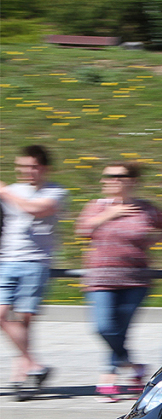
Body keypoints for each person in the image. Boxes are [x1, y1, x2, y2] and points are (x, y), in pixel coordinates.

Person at [75, 162, 162, 400]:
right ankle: (132, 367)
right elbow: (82, 230)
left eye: (118, 176)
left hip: (135, 279)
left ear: (132, 180)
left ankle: (108, 375)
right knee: (103, 327)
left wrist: (151, 242)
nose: (111, 180)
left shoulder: (146, 209)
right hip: (100, 277)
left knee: (120, 330)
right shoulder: (96, 206)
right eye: (107, 176)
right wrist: (108, 215)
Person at [0, 145, 68, 400]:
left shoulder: (57, 191)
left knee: (24, 323)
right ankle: (35, 365)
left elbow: (35, 209)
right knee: (2, 315)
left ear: (44, 168)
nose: (26, 171)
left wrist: (5, 191)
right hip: (6, 260)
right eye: (22, 166)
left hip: (34, 262)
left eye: (32, 166)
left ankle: (22, 377)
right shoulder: (12, 190)